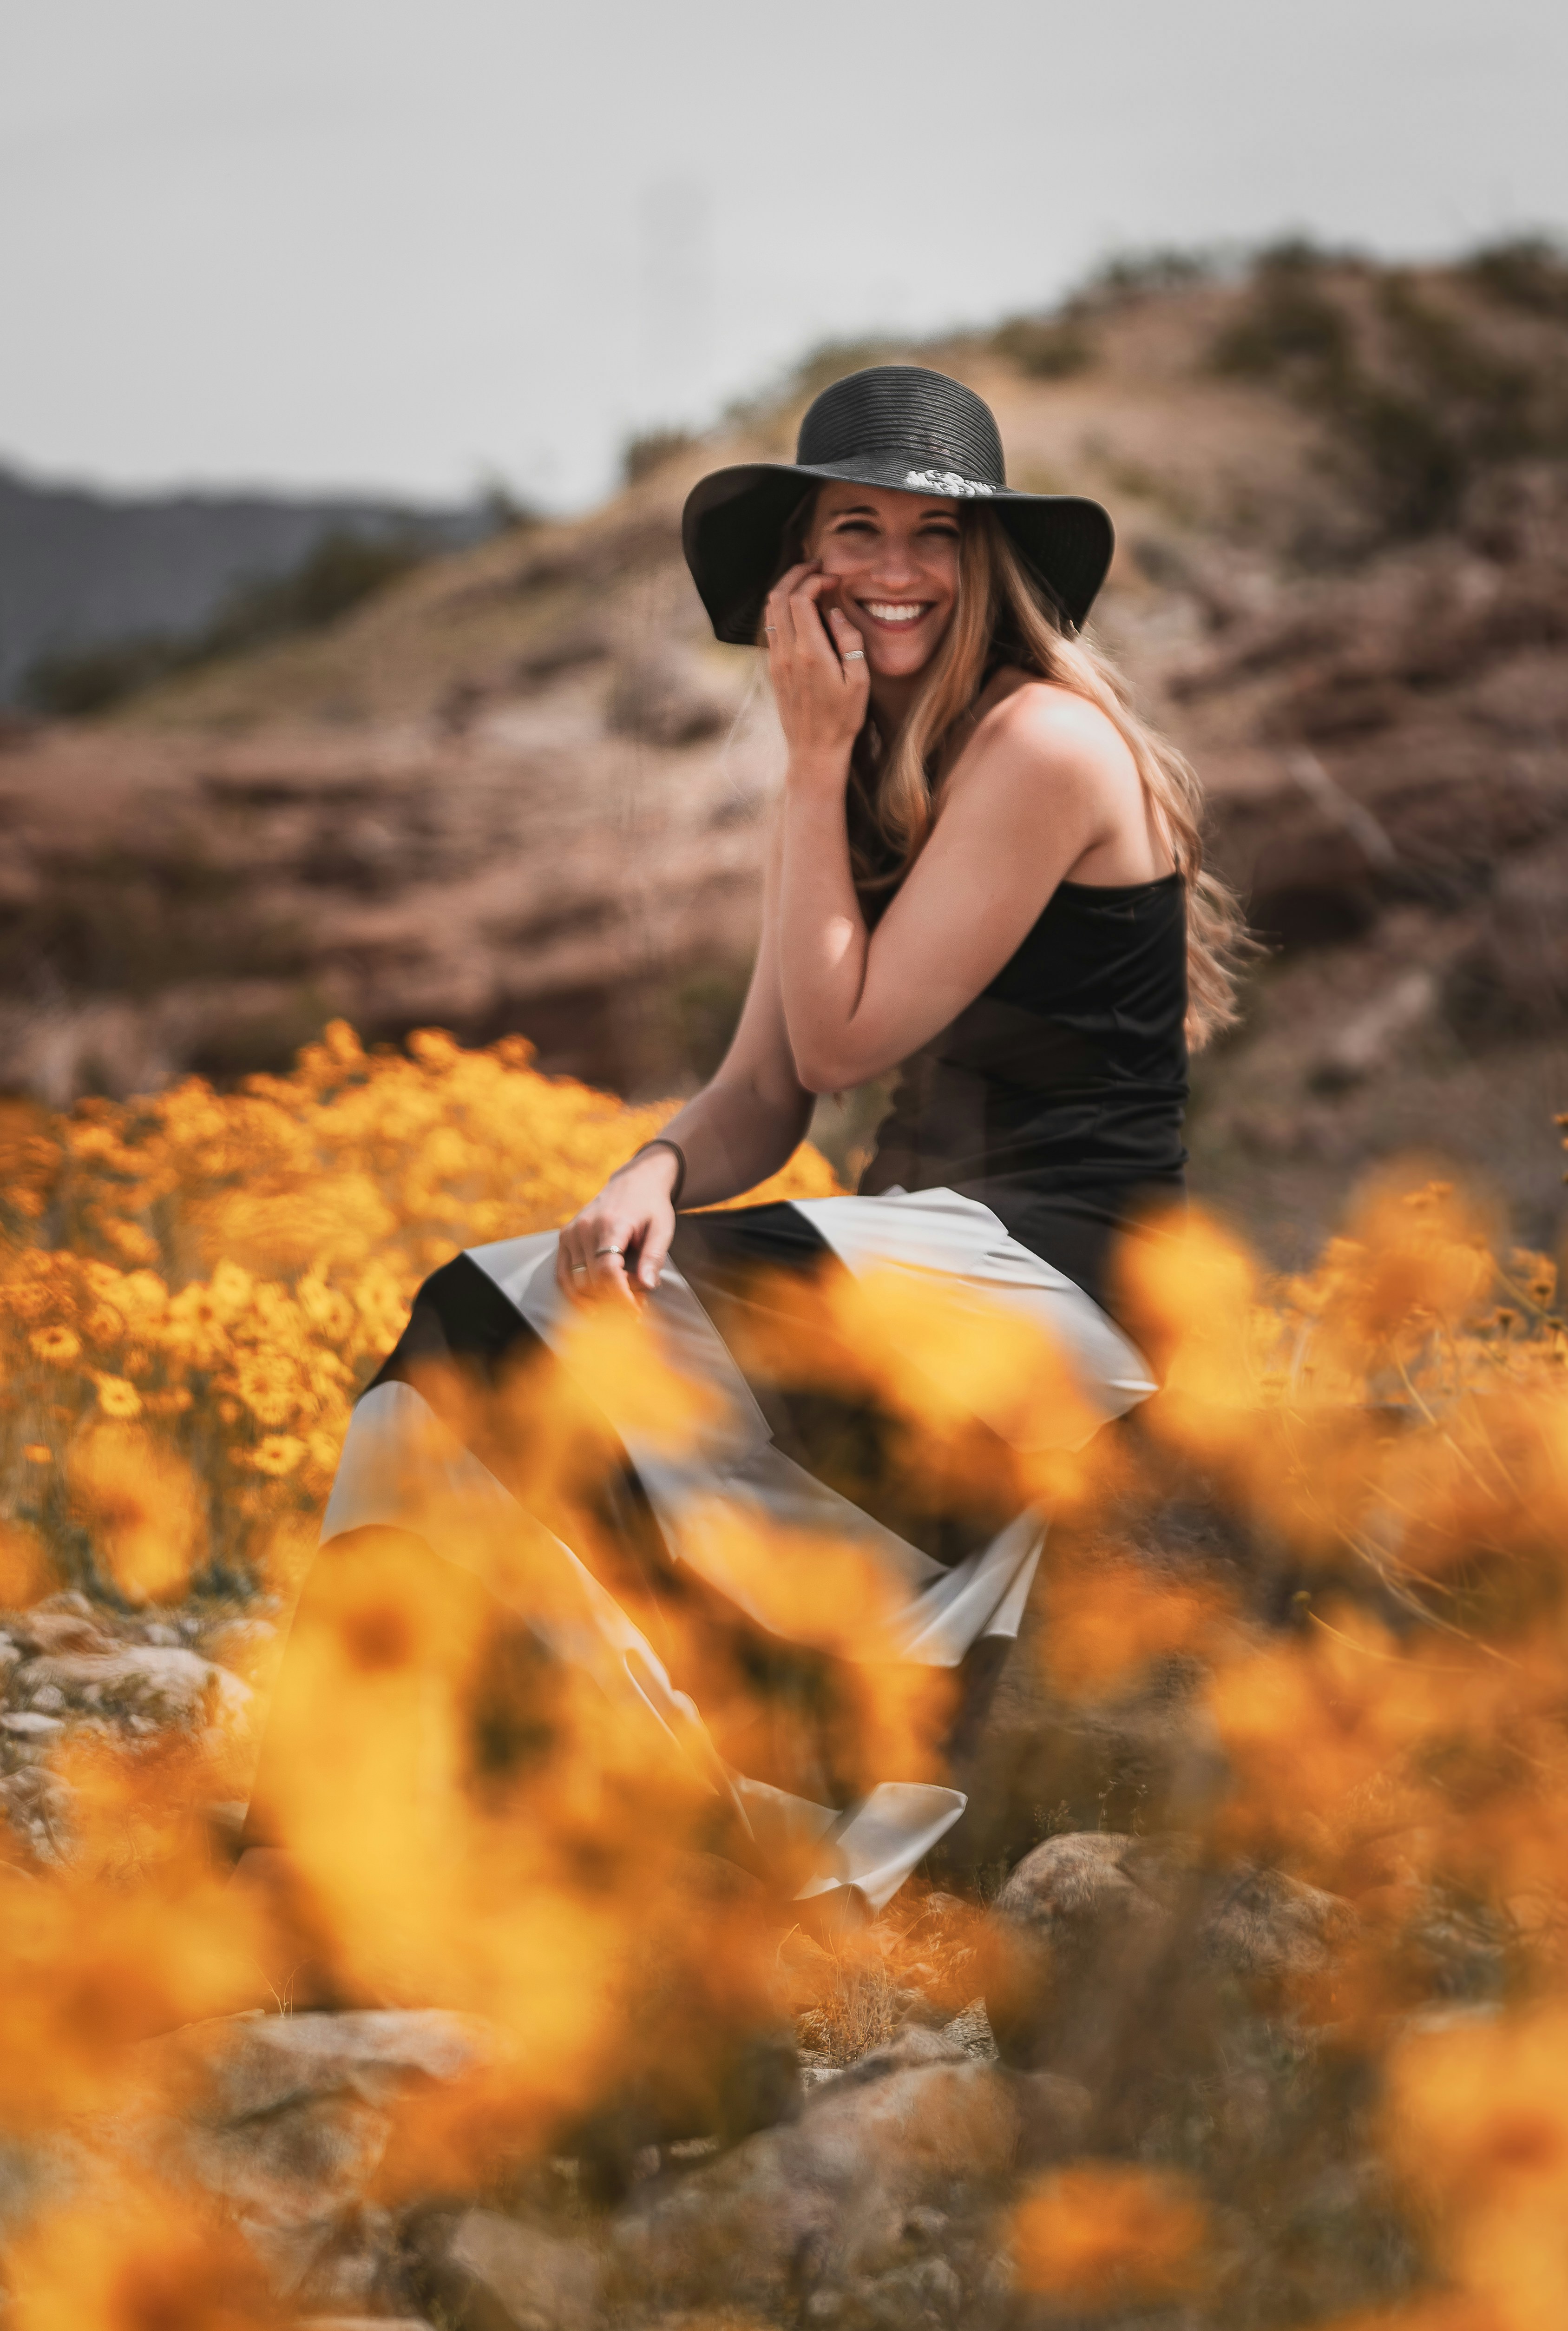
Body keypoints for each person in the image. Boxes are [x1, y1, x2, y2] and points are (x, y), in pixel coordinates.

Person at [247, 365, 1244, 1931]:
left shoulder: (1041, 745)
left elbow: (845, 1046)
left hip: (1056, 1280)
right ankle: (414, 1829)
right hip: (927, 1247)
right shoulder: (873, 755)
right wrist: (654, 1169)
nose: (897, 568)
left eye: (937, 535)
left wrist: (803, 759)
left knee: (490, 1327)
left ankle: (477, 1836)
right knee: (507, 1336)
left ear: (988, 566)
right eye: (860, 527)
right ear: (805, 561)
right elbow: (770, 1090)